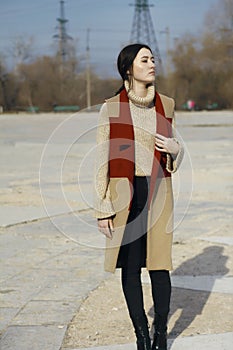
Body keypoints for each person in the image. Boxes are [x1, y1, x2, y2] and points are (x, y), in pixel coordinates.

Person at [94, 43, 184, 350]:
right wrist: (103, 206)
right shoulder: (112, 107)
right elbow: (101, 159)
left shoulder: (167, 104)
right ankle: (141, 335)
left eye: (153, 58)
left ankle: (161, 334)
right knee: (130, 267)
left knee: (160, 265)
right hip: (125, 194)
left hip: (159, 191)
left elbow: (174, 149)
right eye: (145, 59)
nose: (152, 63)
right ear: (128, 68)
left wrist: (176, 151)